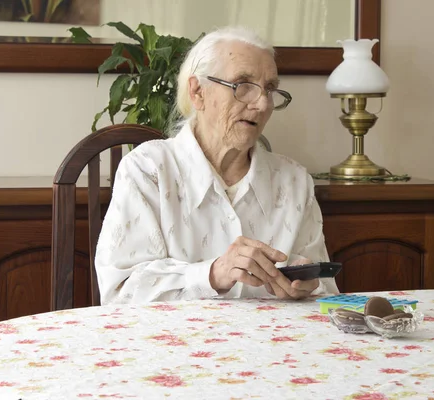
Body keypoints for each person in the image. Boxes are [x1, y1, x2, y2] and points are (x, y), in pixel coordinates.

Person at [94, 26, 339, 304]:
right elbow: (120, 294)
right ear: (198, 92)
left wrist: (310, 288)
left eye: (270, 89)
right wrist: (212, 274)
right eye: (243, 85)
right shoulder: (148, 170)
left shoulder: (293, 181)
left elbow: (326, 292)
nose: (261, 104)